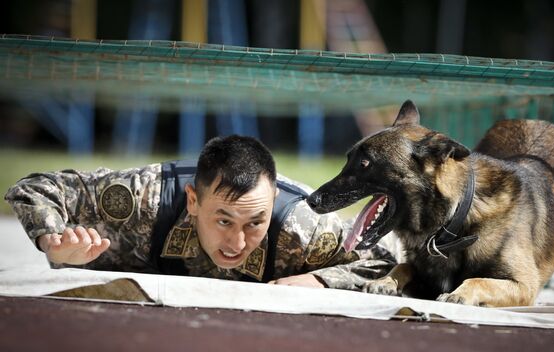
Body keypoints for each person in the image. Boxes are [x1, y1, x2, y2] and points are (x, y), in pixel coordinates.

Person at [5, 135, 398, 290]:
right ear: (193, 201)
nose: (238, 243)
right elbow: (35, 187)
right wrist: (52, 242)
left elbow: (383, 260)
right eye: (224, 220)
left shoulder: (303, 228)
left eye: (255, 222)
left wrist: (319, 281)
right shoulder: (143, 197)